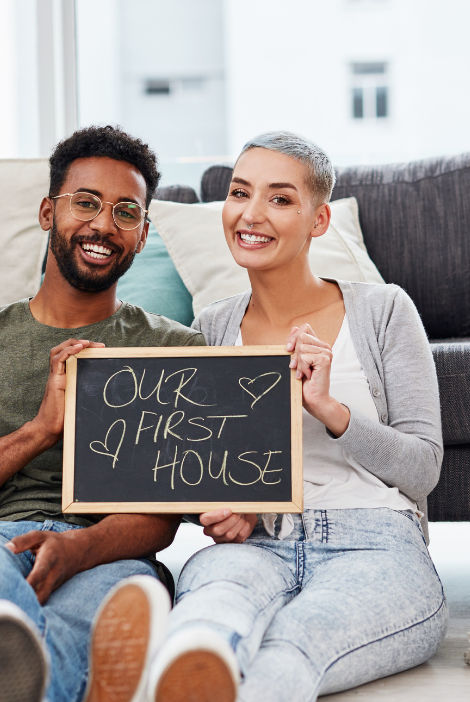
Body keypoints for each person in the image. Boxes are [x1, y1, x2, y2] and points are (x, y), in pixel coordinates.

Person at [0, 125, 204, 702]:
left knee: (94, 619)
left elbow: (163, 515)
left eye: (126, 212)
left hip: (107, 551)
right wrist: (39, 430)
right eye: (86, 203)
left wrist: (78, 549)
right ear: (47, 212)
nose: (104, 225)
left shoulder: (175, 351)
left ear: (144, 233)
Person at [146, 132, 448, 702]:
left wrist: (330, 410)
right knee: (204, 626)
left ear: (318, 219)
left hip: (374, 541)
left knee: (291, 646)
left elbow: (423, 469)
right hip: (255, 545)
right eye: (240, 193)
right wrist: (228, 504)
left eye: (280, 199)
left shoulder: (383, 310)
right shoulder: (213, 327)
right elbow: (195, 469)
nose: (252, 214)